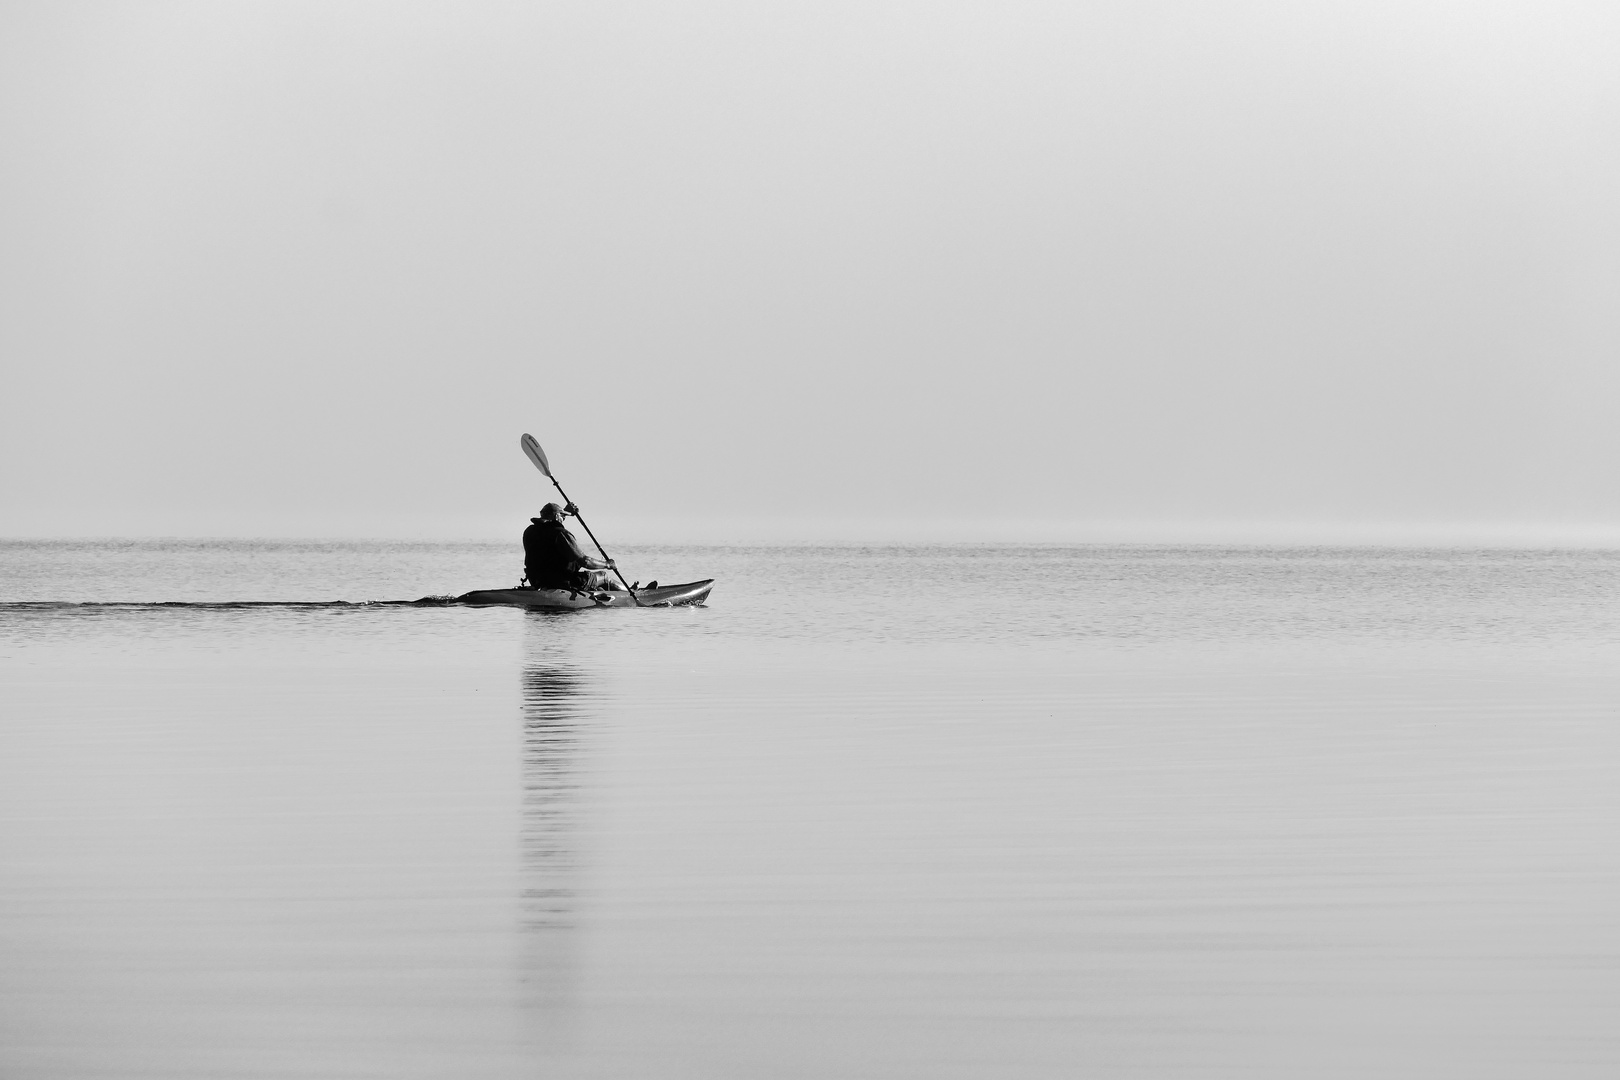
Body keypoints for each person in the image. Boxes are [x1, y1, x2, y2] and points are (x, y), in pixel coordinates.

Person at [522, 502, 616, 592]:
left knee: (599, 588)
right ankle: (630, 593)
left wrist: (567, 512)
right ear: (556, 516)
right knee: (604, 576)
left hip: (537, 580)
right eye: (563, 516)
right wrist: (607, 564)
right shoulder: (561, 534)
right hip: (563, 582)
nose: (564, 519)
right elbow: (585, 561)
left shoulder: (529, 531)